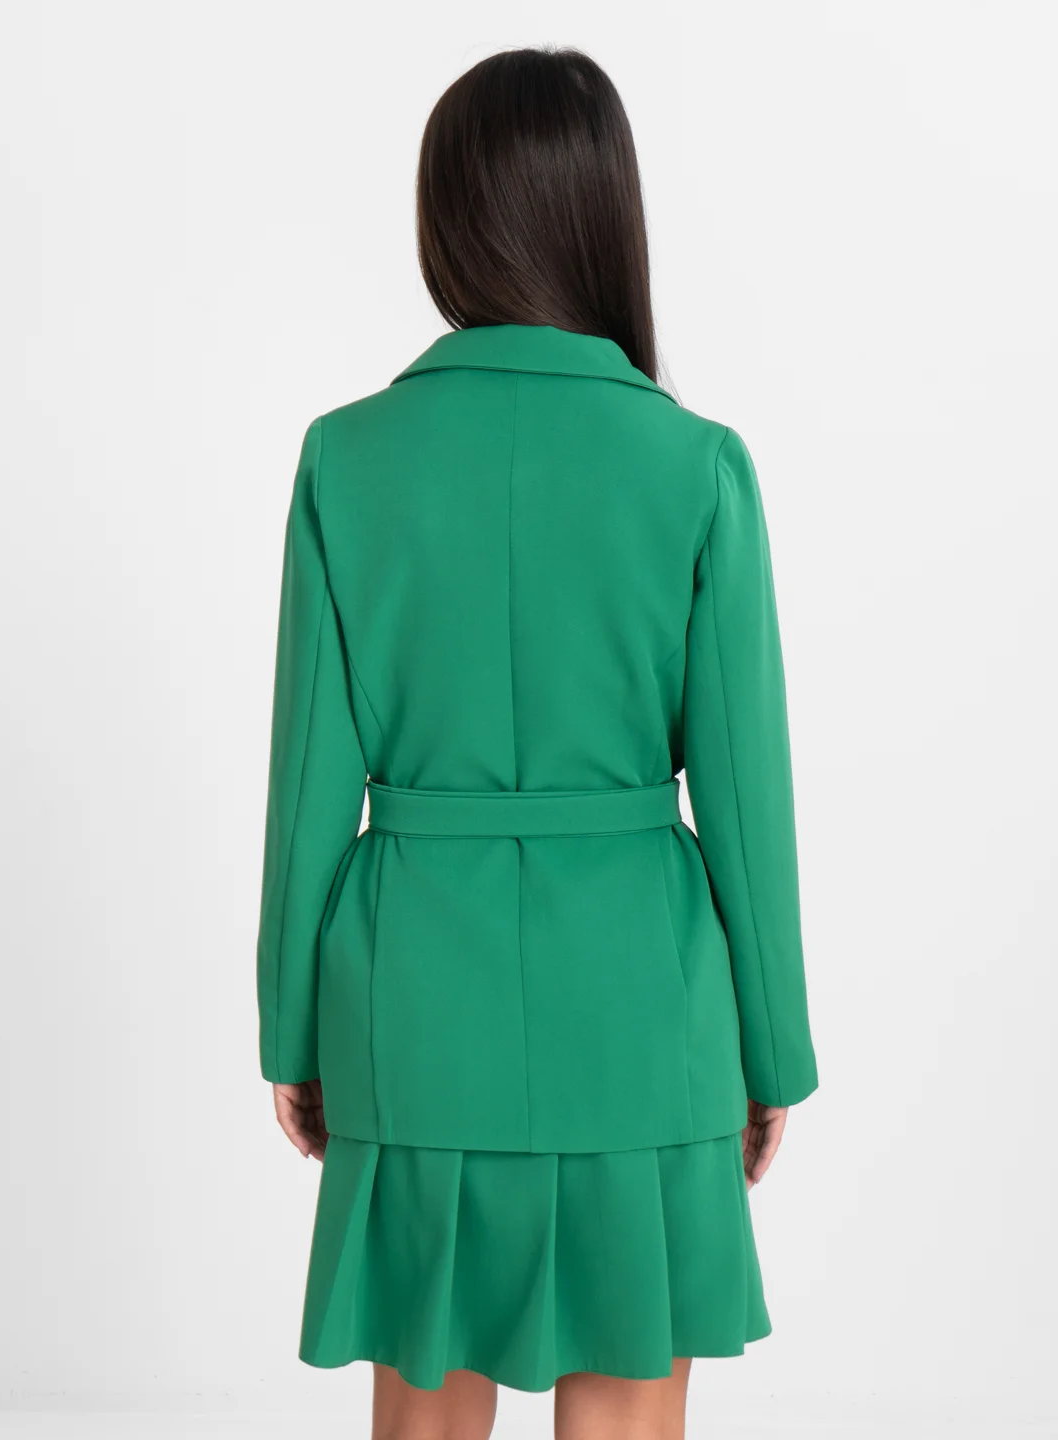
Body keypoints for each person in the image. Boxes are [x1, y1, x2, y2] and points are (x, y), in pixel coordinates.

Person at [255, 44, 818, 1440]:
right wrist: (773, 1049)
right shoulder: (696, 466)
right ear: (604, 215)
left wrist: (292, 1024)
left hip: (412, 1004)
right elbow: (747, 801)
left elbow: (308, 783)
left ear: (446, 221)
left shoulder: (346, 459)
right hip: (640, 1010)